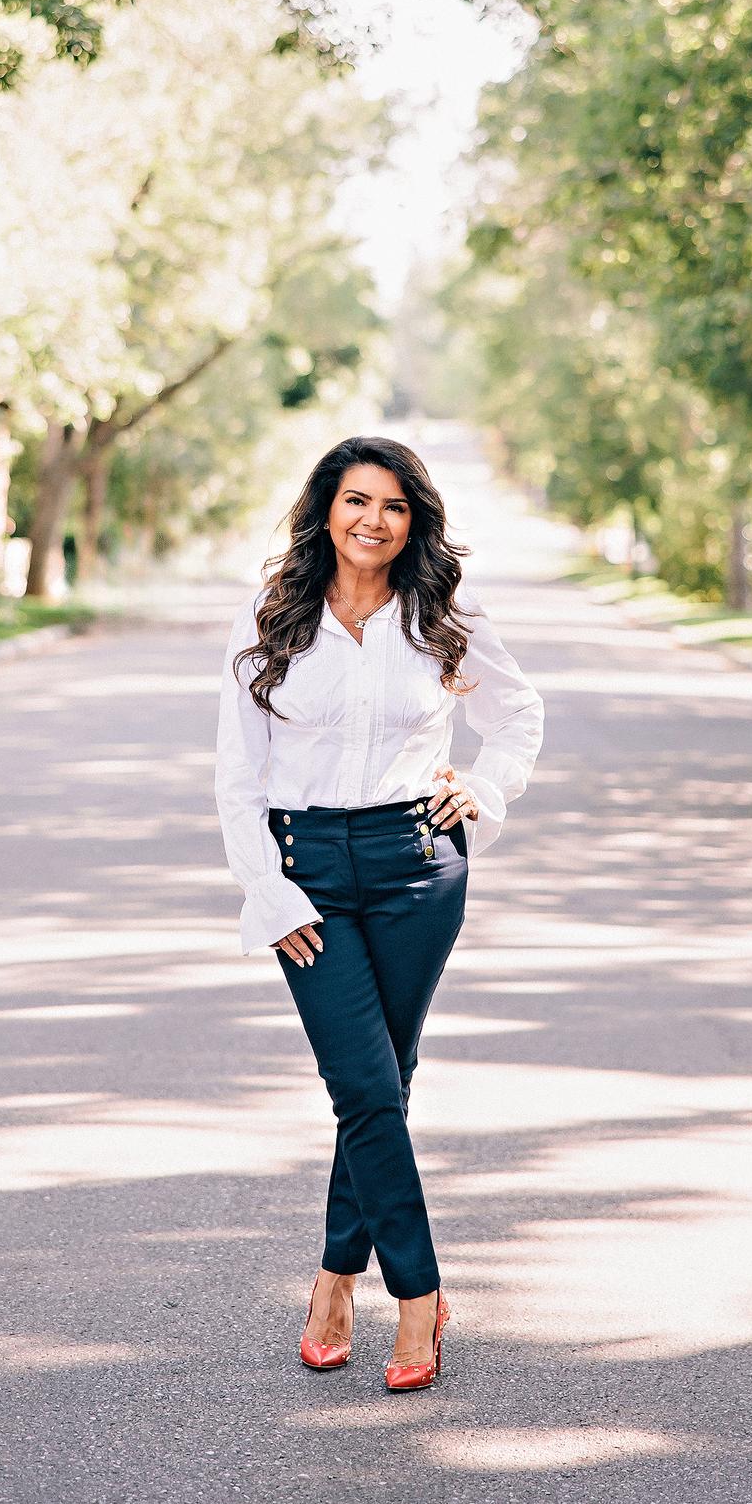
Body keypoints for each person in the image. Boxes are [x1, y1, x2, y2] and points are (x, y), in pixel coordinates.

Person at [214, 434, 544, 1392]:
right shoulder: (275, 614)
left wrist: (487, 787)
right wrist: (266, 892)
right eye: (356, 500)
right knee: (364, 1087)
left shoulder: (440, 613)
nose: (373, 521)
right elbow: (237, 771)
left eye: (394, 507)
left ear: (414, 522)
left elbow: (517, 710)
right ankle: (417, 1296)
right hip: (304, 867)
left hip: (416, 865)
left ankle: (331, 1284)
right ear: (326, 508)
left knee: (379, 1086)